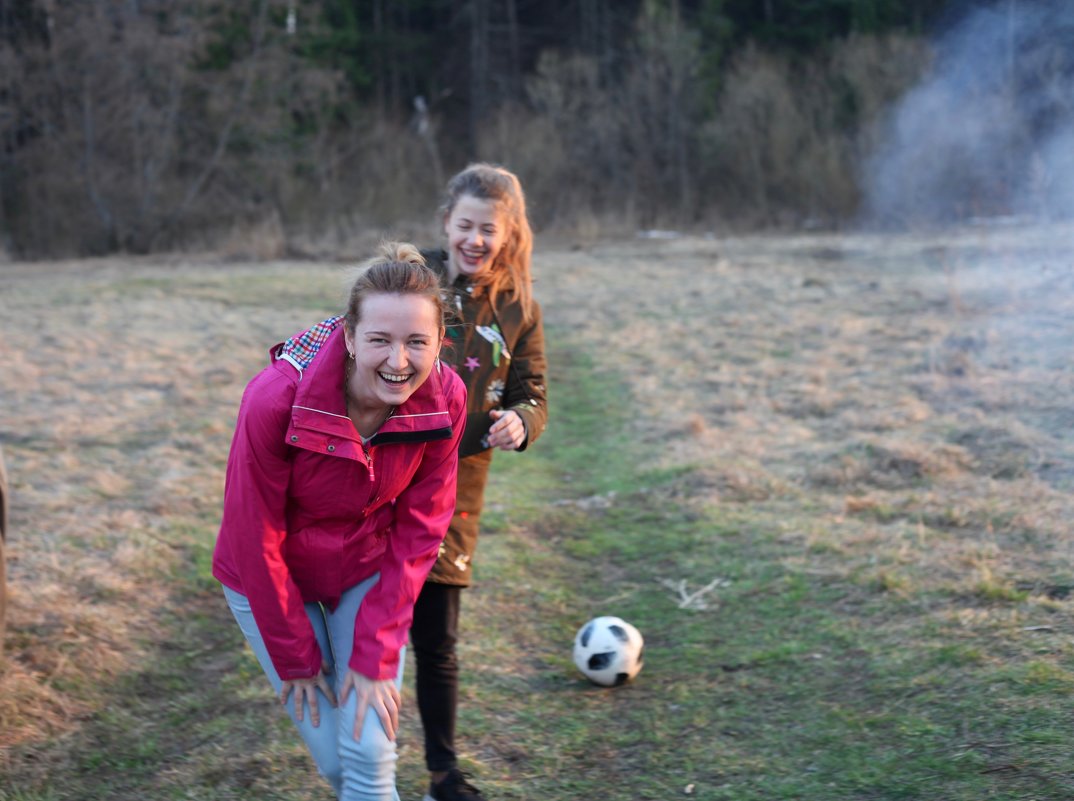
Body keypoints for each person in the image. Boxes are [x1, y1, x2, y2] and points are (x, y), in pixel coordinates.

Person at [212, 242, 467, 801]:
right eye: (380, 339)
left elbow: (422, 528)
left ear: (439, 343)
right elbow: (255, 537)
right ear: (349, 337)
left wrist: (376, 649)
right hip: (270, 579)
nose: (399, 361)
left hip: (363, 568)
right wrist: (297, 657)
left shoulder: (446, 397)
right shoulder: (275, 399)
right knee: (335, 762)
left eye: (417, 342)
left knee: (369, 752)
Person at [411, 163, 549, 801]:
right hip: (382, 475)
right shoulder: (411, 276)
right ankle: (361, 763)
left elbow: (535, 394)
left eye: (487, 229)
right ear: (447, 223)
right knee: (367, 627)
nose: (474, 239)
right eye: (464, 225)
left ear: (508, 232)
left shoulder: (520, 306)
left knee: (438, 638)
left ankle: (444, 774)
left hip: (455, 493)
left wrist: (521, 421)